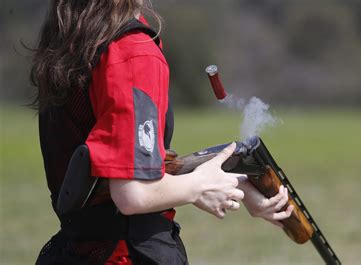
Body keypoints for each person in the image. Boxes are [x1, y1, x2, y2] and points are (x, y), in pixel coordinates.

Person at [30, 1, 294, 264]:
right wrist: (198, 186)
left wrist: (239, 186)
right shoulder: (133, 51)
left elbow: (119, 168)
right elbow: (133, 193)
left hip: (78, 250)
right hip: (125, 253)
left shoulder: (76, 33)